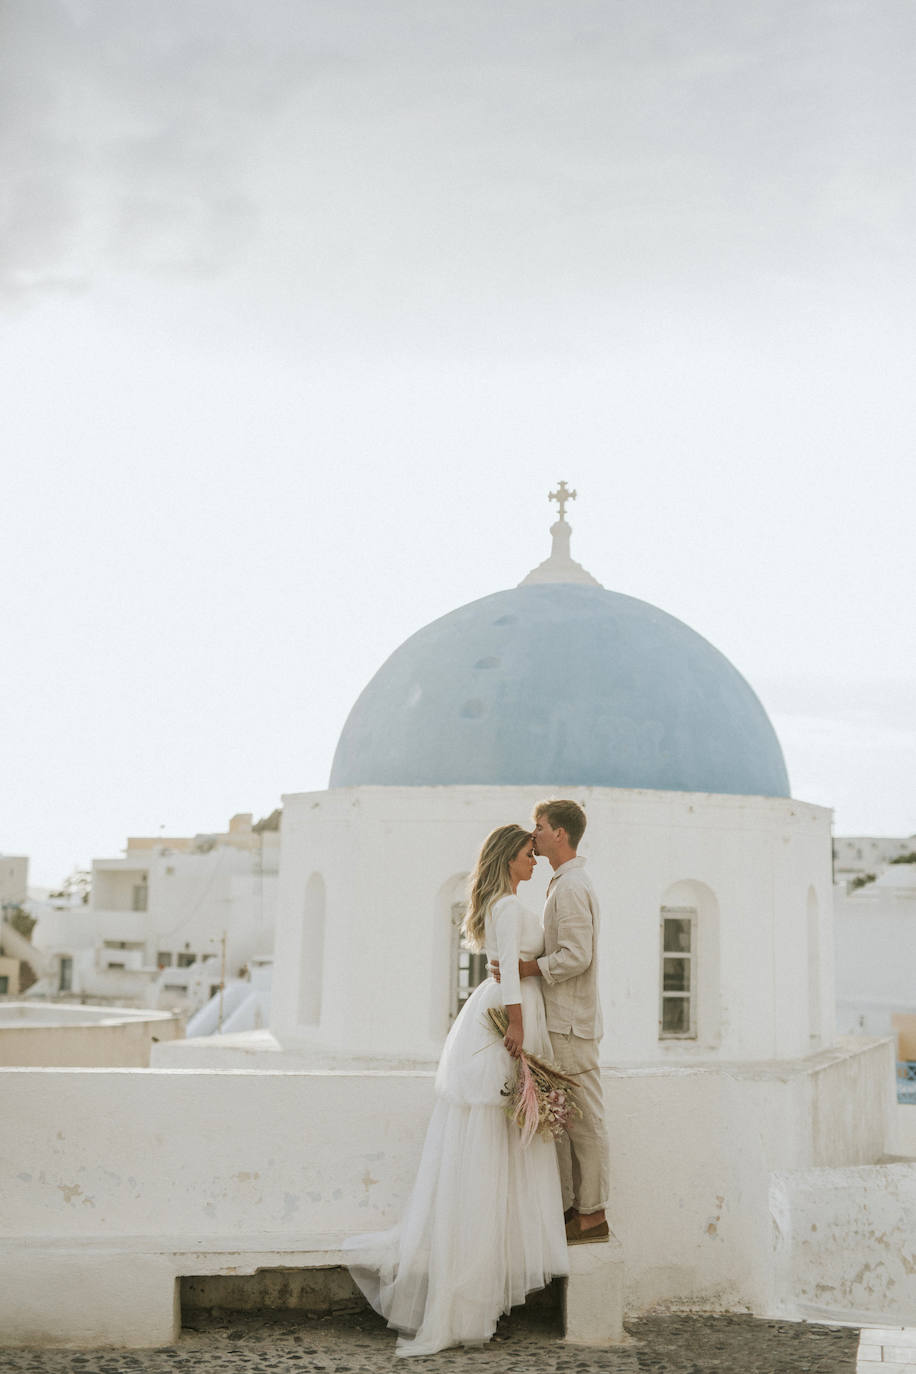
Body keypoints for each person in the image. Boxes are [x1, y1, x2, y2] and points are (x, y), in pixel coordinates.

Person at [344, 824, 569, 1357]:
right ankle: (468, 1298)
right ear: (507, 858)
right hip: (504, 1014)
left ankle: (478, 1294)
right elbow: (512, 976)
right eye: (528, 854)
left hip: (496, 1007)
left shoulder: (501, 901)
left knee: (495, 1143)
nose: (534, 861)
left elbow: (509, 968)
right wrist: (516, 1025)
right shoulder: (509, 907)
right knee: (493, 1144)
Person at [494, 799, 609, 1244]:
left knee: (586, 1122)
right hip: (561, 1021)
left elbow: (576, 957)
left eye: (539, 827)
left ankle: (593, 1215)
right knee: (569, 1122)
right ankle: (575, 1209)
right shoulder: (563, 884)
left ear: (559, 833)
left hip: (572, 1023)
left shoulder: (572, 888)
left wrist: (525, 969)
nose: (534, 834)